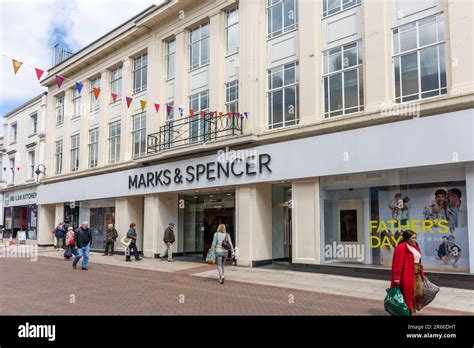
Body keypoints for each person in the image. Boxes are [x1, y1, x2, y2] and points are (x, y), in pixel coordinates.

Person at [391, 230, 424, 315]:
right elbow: (397, 264)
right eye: (413, 238)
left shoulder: (416, 247)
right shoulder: (400, 247)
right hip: (407, 274)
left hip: (417, 273)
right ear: (407, 238)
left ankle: (412, 308)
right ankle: (411, 312)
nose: (415, 240)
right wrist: (396, 278)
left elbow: (418, 260)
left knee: (419, 292)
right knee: (409, 294)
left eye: (415, 238)